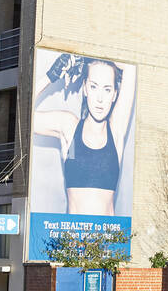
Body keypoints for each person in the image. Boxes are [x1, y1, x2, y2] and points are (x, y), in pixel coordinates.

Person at [33, 53, 135, 215]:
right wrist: (50, 76)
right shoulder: (69, 128)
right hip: (73, 238)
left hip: (108, 238)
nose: (100, 98)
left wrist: (91, 51)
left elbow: (130, 68)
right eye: (94, 87)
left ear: (115, 94)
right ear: (85, 88)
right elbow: (23, 117)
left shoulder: (116, 132)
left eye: (107, 89)